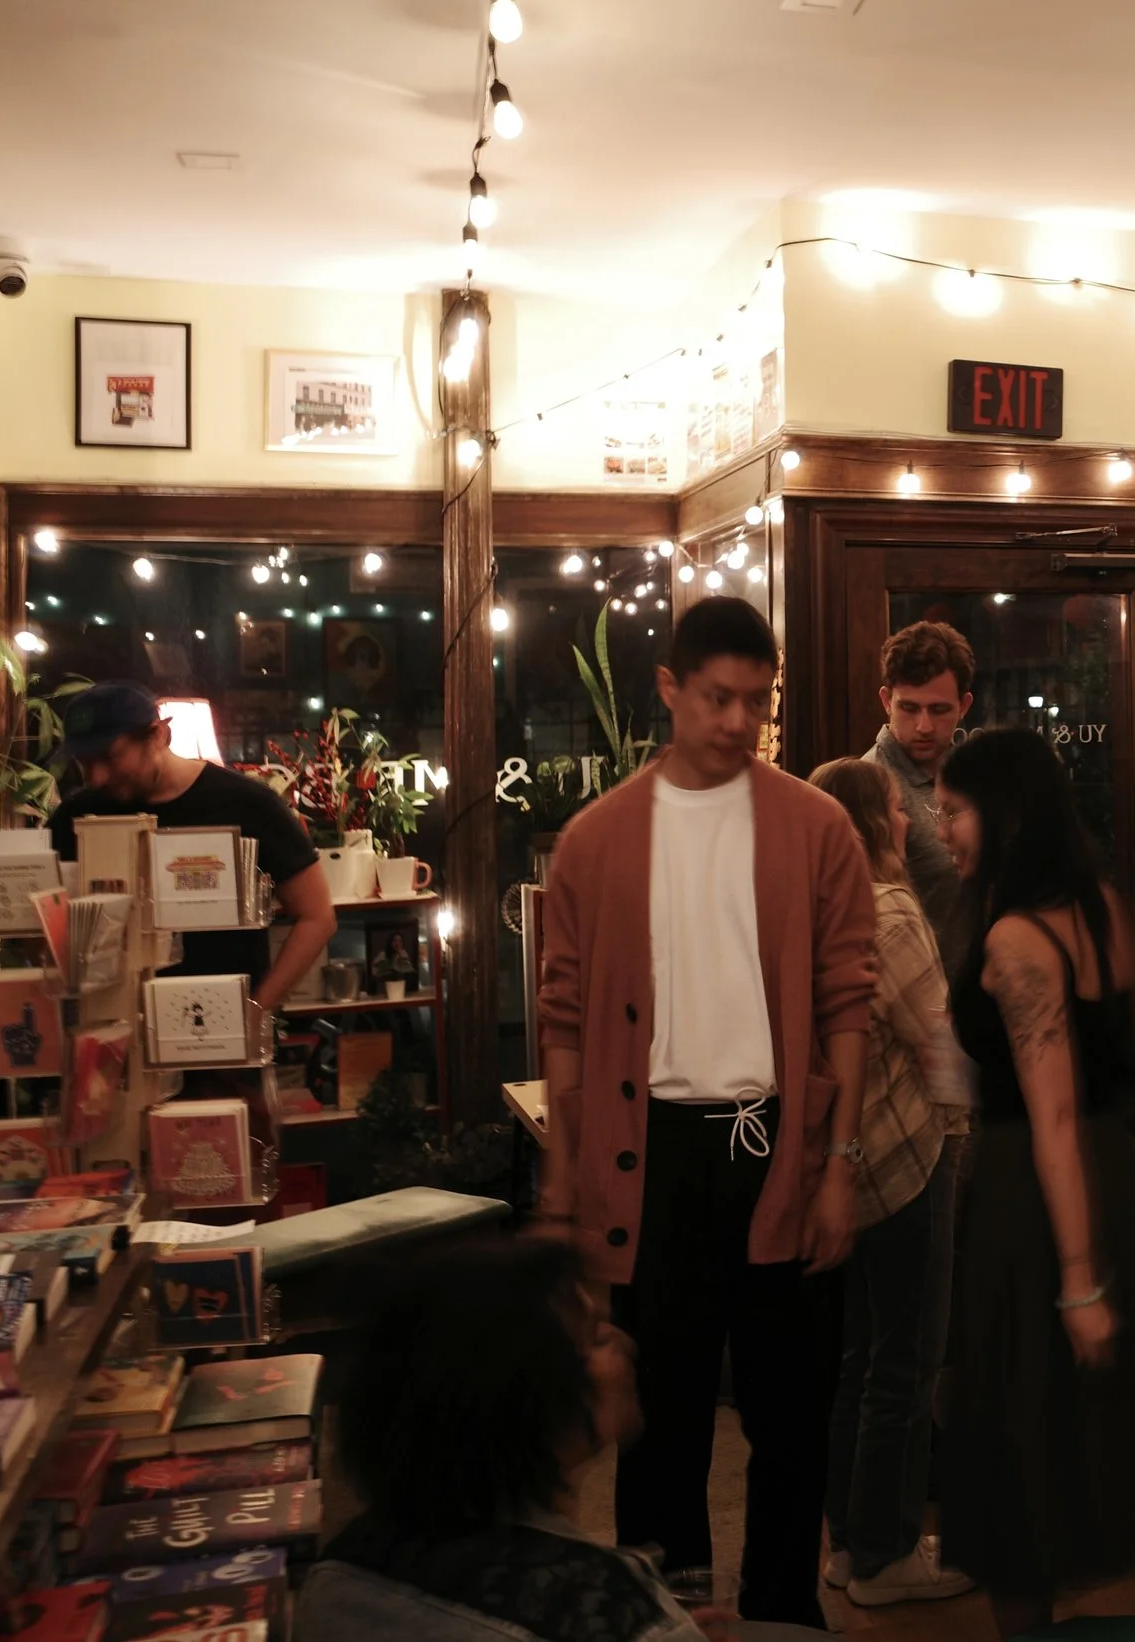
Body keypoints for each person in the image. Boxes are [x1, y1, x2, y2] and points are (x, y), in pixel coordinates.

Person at [536, 597, 875, 1629]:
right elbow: (561, 1015)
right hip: (650, 1153)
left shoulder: (816, 826)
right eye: (718, 697)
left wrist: (837, 1163)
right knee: (661, 1405)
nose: (736, 721)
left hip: (774, 1141)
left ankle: (780, 1609)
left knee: (791, 1407)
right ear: (670, 690)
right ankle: (662, 1606)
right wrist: (562, 1178)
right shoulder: (596, 839)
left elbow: (846, 1003)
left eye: (757, 702)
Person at [931, 728, 1135, 1639]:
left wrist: (1078, 1280)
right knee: (1110, 1440)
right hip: (1117, 1177)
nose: (943, 829)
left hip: (1037, 1201)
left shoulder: (1019, 939)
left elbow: (1050, 1117)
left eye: (953, 811)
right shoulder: (1106, 907)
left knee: (1022, 1445)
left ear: (1006, 815)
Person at [299, 1235, 736, 1642]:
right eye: (593, 1339)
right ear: (524, 1399)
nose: (623, 1343)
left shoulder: (336, 1574)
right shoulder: (616, 1608)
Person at [806, 757, 973, 1609]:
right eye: (894, 813)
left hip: (846, 1165)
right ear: (871, 824)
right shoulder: (890, 908)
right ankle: (888, 1554)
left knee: (858, 1359)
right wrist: (968, 1124)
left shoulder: (815, 911)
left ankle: (846, 1543)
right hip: (908, 1157)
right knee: (908, 1362)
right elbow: (936, 1038)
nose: (910, 823)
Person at [47, 681, 335, 1012]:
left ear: (158, 736)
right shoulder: (76, 814)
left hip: (217, 1026)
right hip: (111, 1031)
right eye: (84, 762)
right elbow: (44, 919)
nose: (96, 777)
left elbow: (317, 917)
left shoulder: (248, 804)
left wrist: (255, 1012)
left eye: (109, 757)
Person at [866, 620, 975, 972]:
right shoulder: (871, 785)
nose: (924, 726)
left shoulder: (973, 775)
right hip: (917, 1005)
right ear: (887, 701)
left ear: (964, 706)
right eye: (909, 708)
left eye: (939, 709)